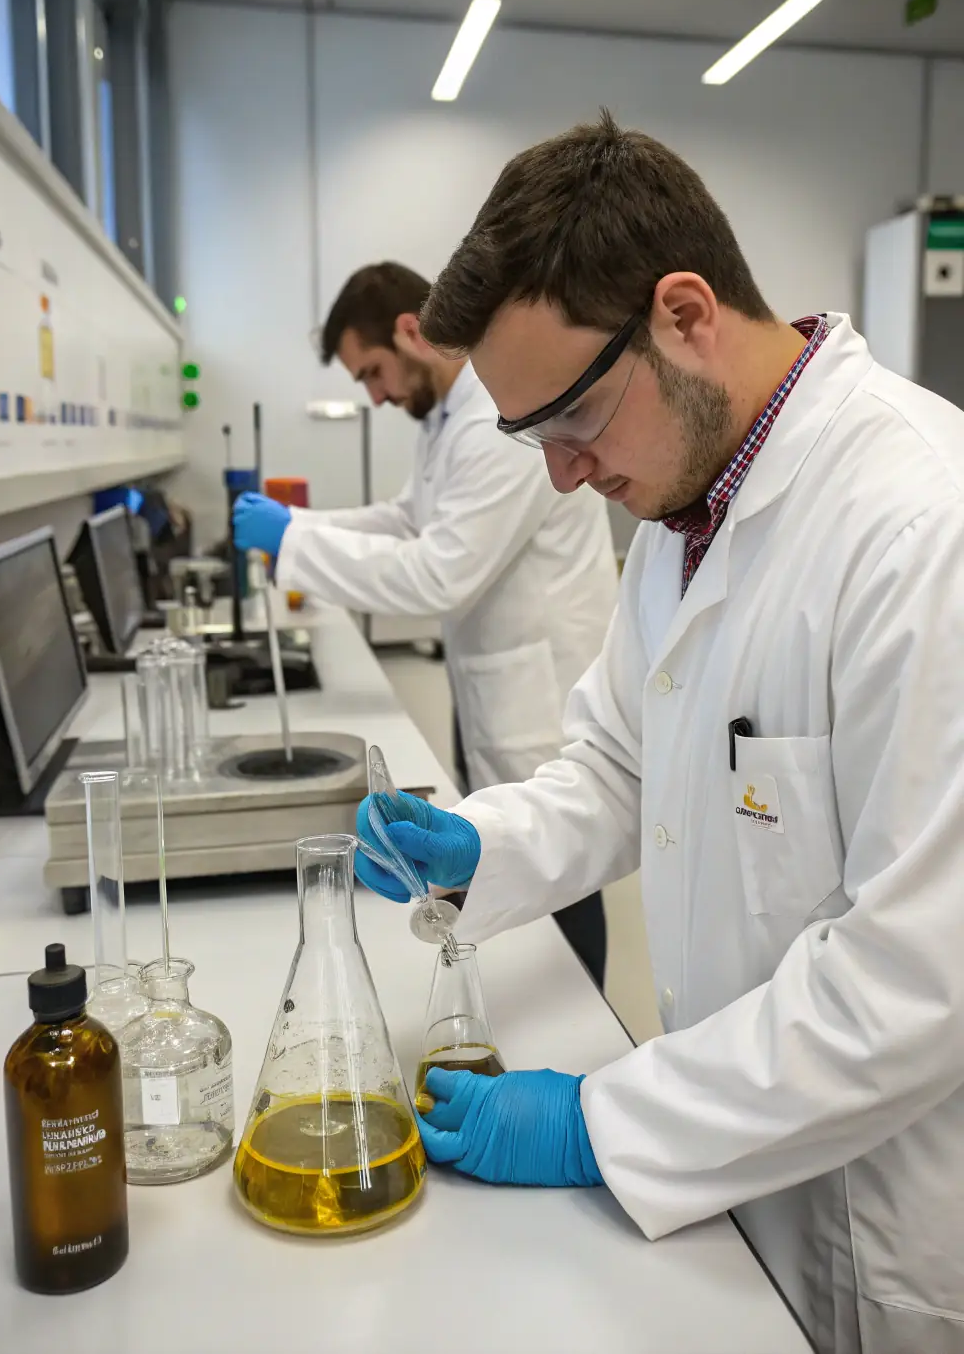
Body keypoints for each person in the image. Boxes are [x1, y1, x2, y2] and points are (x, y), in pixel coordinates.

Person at [353, 115, 964, 1354]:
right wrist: (483, 840)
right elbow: (623, 765)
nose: (563, 479)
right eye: (533, 442)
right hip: (743, 1171)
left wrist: (604, 1119)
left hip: (893, 1218)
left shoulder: (921, 527)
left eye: (571, 422)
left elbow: (916, 982)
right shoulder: (686, 514)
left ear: (683, 313)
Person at [233, 261, 618, 985]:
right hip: (494, 684)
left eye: (373, 371)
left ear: (411, 331)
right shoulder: (446, 415)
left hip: (543, 692)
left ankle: (585, 1015)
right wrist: (298, 526)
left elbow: (440, 572)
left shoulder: (494, 420)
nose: (375, 394)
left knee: (564, 873)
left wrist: (295, 545)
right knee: (517, 862)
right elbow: (409, 518)